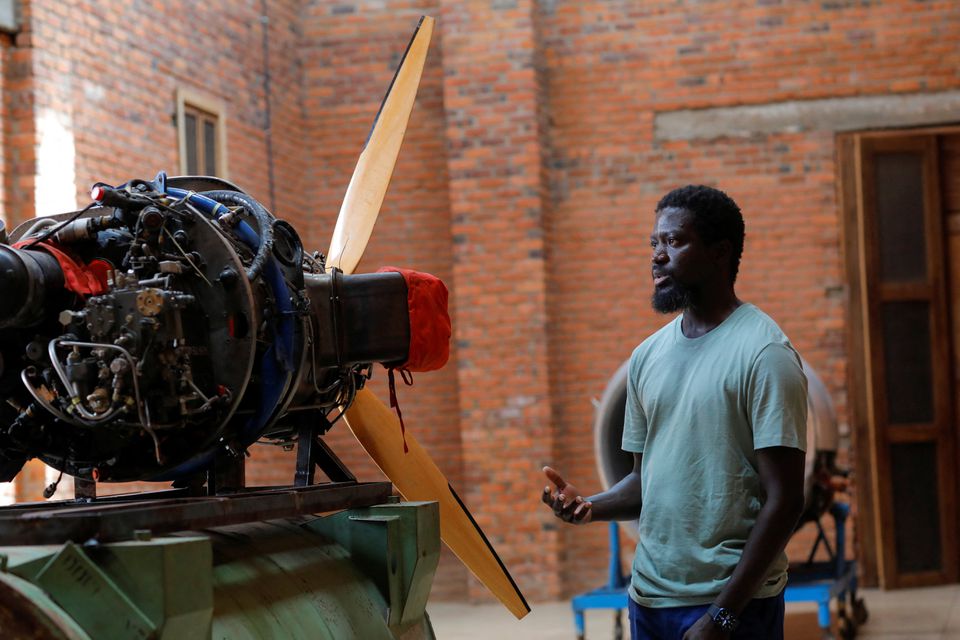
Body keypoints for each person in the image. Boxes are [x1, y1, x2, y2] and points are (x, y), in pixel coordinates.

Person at [542, 185, 807, 639]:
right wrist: (590, 506)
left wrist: (722, 617)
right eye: (654, 243)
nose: (657, 257)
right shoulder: (647, 356)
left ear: (720, 252)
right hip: (650, 599)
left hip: (732, 607)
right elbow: (643, 482)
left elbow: (785, 501)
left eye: (673, 242)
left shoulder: (764, 353)